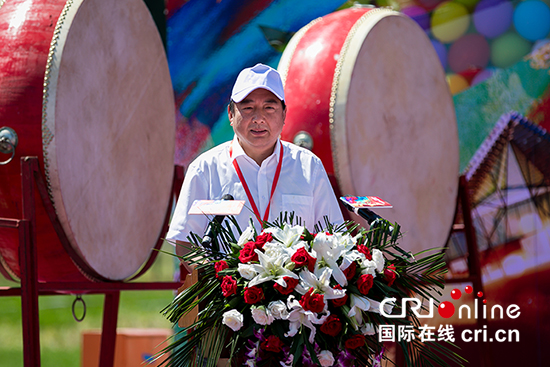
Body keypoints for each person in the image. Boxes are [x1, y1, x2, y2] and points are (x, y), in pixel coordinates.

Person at [166, 63, 343, 257]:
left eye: (269, 108)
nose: (259, 118)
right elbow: (186, 242)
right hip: (226, 286)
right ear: (231, 114)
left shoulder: (309, 167)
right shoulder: (204, 169)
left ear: (284, 114)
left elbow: (333, 236)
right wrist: (221, 282)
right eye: (248, 108)